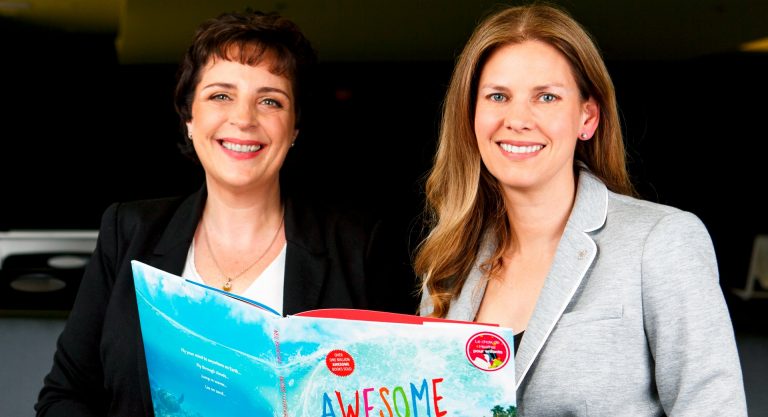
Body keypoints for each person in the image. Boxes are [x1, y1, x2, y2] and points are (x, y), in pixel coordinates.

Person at [35, 10, 416, 416]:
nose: (243, 119)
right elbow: (64, 397)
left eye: (270, 100)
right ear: (189, 117)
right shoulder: (128, 231)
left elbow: (399, 401)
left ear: (294, 129)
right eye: (221, 95)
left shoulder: (358, 247)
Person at [415, 4, 747, 415]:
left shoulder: (662, 240)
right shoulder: (449, 263)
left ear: (587, 117)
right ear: (471, 114)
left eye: (547, 97)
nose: (517, 119)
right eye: (498, 96)